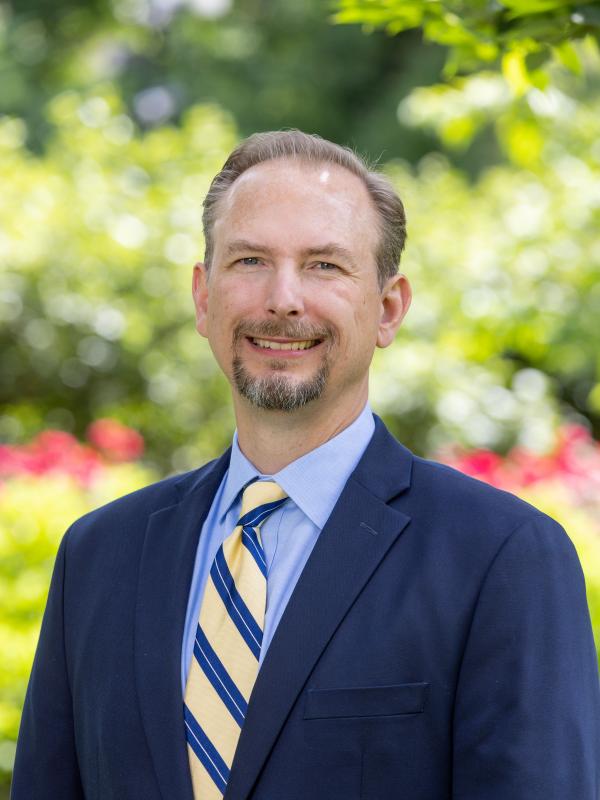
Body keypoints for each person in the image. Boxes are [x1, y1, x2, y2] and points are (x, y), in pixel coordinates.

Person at [12, 130, 600, 800]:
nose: (284, 298)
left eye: (324, 265)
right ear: (204, 298)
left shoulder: (503, 558)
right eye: (251, 261)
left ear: (387, 308)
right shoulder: (98, 557)